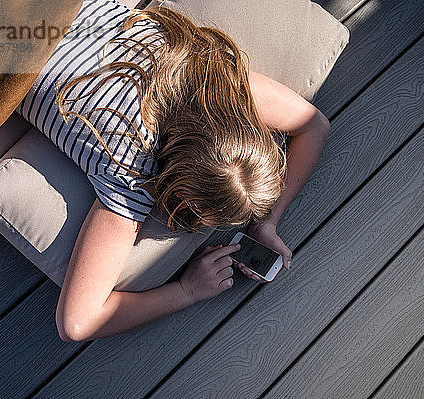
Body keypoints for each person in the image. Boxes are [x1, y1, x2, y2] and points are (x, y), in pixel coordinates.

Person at [17, 0, 330, 342]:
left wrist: (267, 220)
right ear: (179, 196)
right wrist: (186, 291)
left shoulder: (211, 77)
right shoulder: (131, 177)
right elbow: (77, 323)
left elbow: (314, 126)